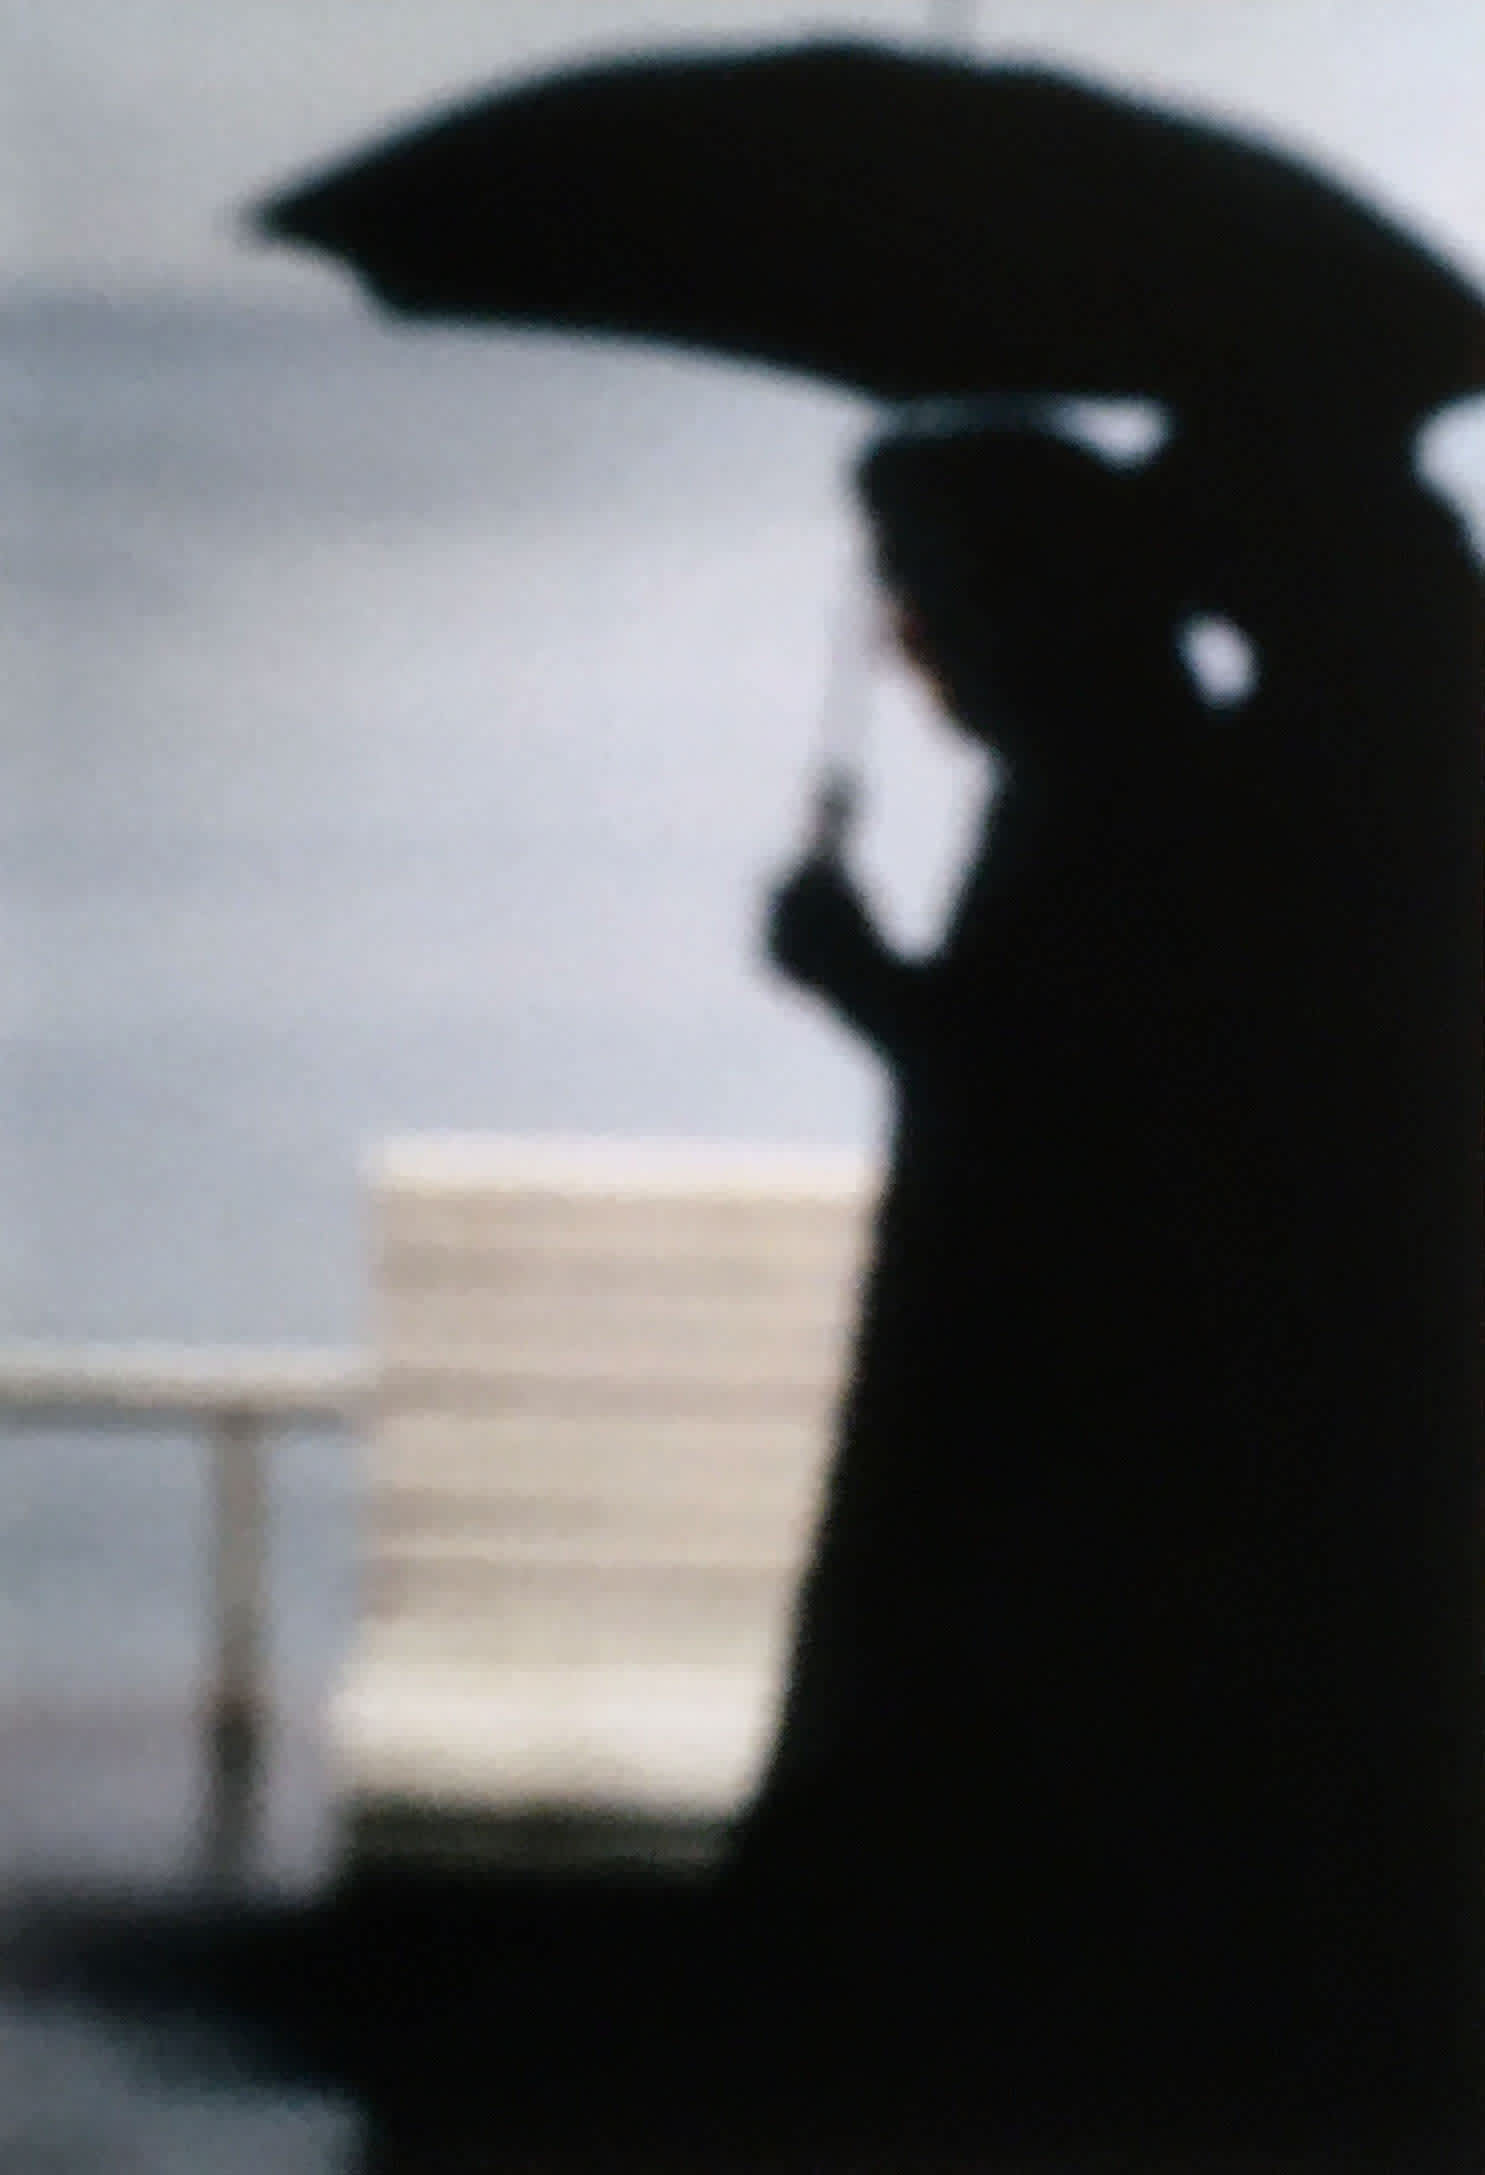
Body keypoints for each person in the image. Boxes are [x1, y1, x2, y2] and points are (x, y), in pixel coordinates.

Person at [724, 414, 1482, 2155]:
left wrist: (861, 981)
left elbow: (1073, 1127)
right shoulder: (1139, 785)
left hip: (1066, 1467)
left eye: (925, 590)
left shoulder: (1122, 804)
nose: (905, 641)